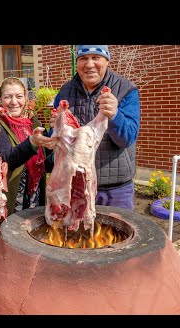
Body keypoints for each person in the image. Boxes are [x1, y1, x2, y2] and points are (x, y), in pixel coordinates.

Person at [0, 77, 57, 284]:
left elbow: (45, 164)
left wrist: (57, 141)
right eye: (8, 96)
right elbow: (8, 157)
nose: (14, 101)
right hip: (3, 204)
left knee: (24, 252)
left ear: (26, 98)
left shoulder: (34, 124)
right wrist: (32, 143)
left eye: (18, 96)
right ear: (0, 100)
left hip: (30, 199)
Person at [53, 45, 140, 210]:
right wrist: (55, 129)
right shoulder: (65, 92)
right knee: (77, 234)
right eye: (83, 58)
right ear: (77, 62)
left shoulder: (126, 89)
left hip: (115, 190)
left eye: (96, 57)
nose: (89, 64)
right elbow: (56, 139)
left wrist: (115, 115)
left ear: (107, 61)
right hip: (75, 185)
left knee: (118, 233)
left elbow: (128, 138)